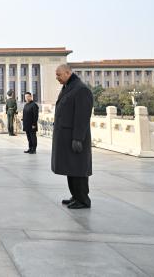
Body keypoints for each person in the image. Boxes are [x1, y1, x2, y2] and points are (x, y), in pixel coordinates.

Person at [51, 64, 94, 209]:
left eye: (59, 75)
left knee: (78, 169)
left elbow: (82, 117)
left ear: (68, 73)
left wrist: (78, 138)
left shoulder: (81, 90)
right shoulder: (69, 87)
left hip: (75, 138)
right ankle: (75, 196)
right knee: (71, 168)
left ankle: (83, 200)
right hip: (66, 136)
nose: (57, 78)